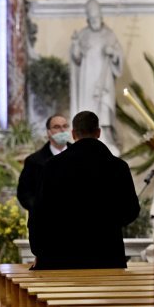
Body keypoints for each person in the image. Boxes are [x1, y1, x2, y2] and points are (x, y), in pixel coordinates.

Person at [28, 111, 140, 270]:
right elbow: (131, 211)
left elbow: (38, 214)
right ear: (98, 132)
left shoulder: (51, 167)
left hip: (60, 258)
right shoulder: (118, 167)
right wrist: (105, 224)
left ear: (73, 134)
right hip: (106, 256)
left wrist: (38, 251)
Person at [70, 0, 124, 156]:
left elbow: (118, 56)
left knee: (104, 109)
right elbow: (76, 58)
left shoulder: (109, 35)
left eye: (97, 18)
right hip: (87, 81)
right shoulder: (82, 35)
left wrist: (112, 52)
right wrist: (75, 45)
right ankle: (85, 138)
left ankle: (106, 138)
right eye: (92, 19)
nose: (95, 21)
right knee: (88, 108)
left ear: (101, 17)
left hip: (104, 80)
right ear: (88, 18)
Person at [16, 114, 72, 214]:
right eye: (57, 127)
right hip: (45, 222)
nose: (62, 130)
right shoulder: (33, 161)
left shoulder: (81, 156)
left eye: (65, 126)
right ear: (48, 132)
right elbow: (24, 193)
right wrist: (39, 208)